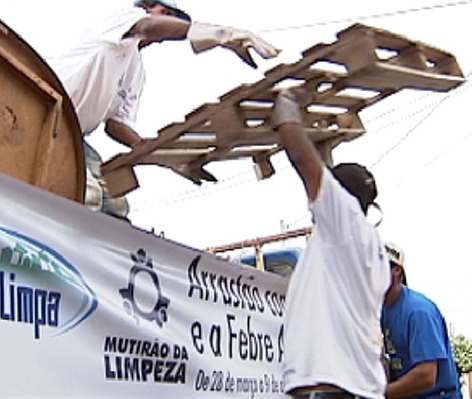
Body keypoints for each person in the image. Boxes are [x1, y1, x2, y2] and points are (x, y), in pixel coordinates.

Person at [49, 0, 280, 220]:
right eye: (165, 14)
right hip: (46, 110)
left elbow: (116, 125)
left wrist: (163, 157)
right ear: (145, 7)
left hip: (74, 134)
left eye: (174, 18)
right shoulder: (125, 20)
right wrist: (218, 34)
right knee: (86, 194)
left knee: (115, 204)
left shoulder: (135, 70)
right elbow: (148, 26)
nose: (169, 24)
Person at [271, 89, 391, 398]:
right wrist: (323, 141)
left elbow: (302, 158)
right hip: (352, 387)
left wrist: (287, 107)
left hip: (335, 390)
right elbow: (324, 175)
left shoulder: (344, 223)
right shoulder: (363, 242)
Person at [382, 241, 462, 399]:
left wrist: (379, 393)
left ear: (397, 270)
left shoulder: (418, 312)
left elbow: (426, 376)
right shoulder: (382, 311)